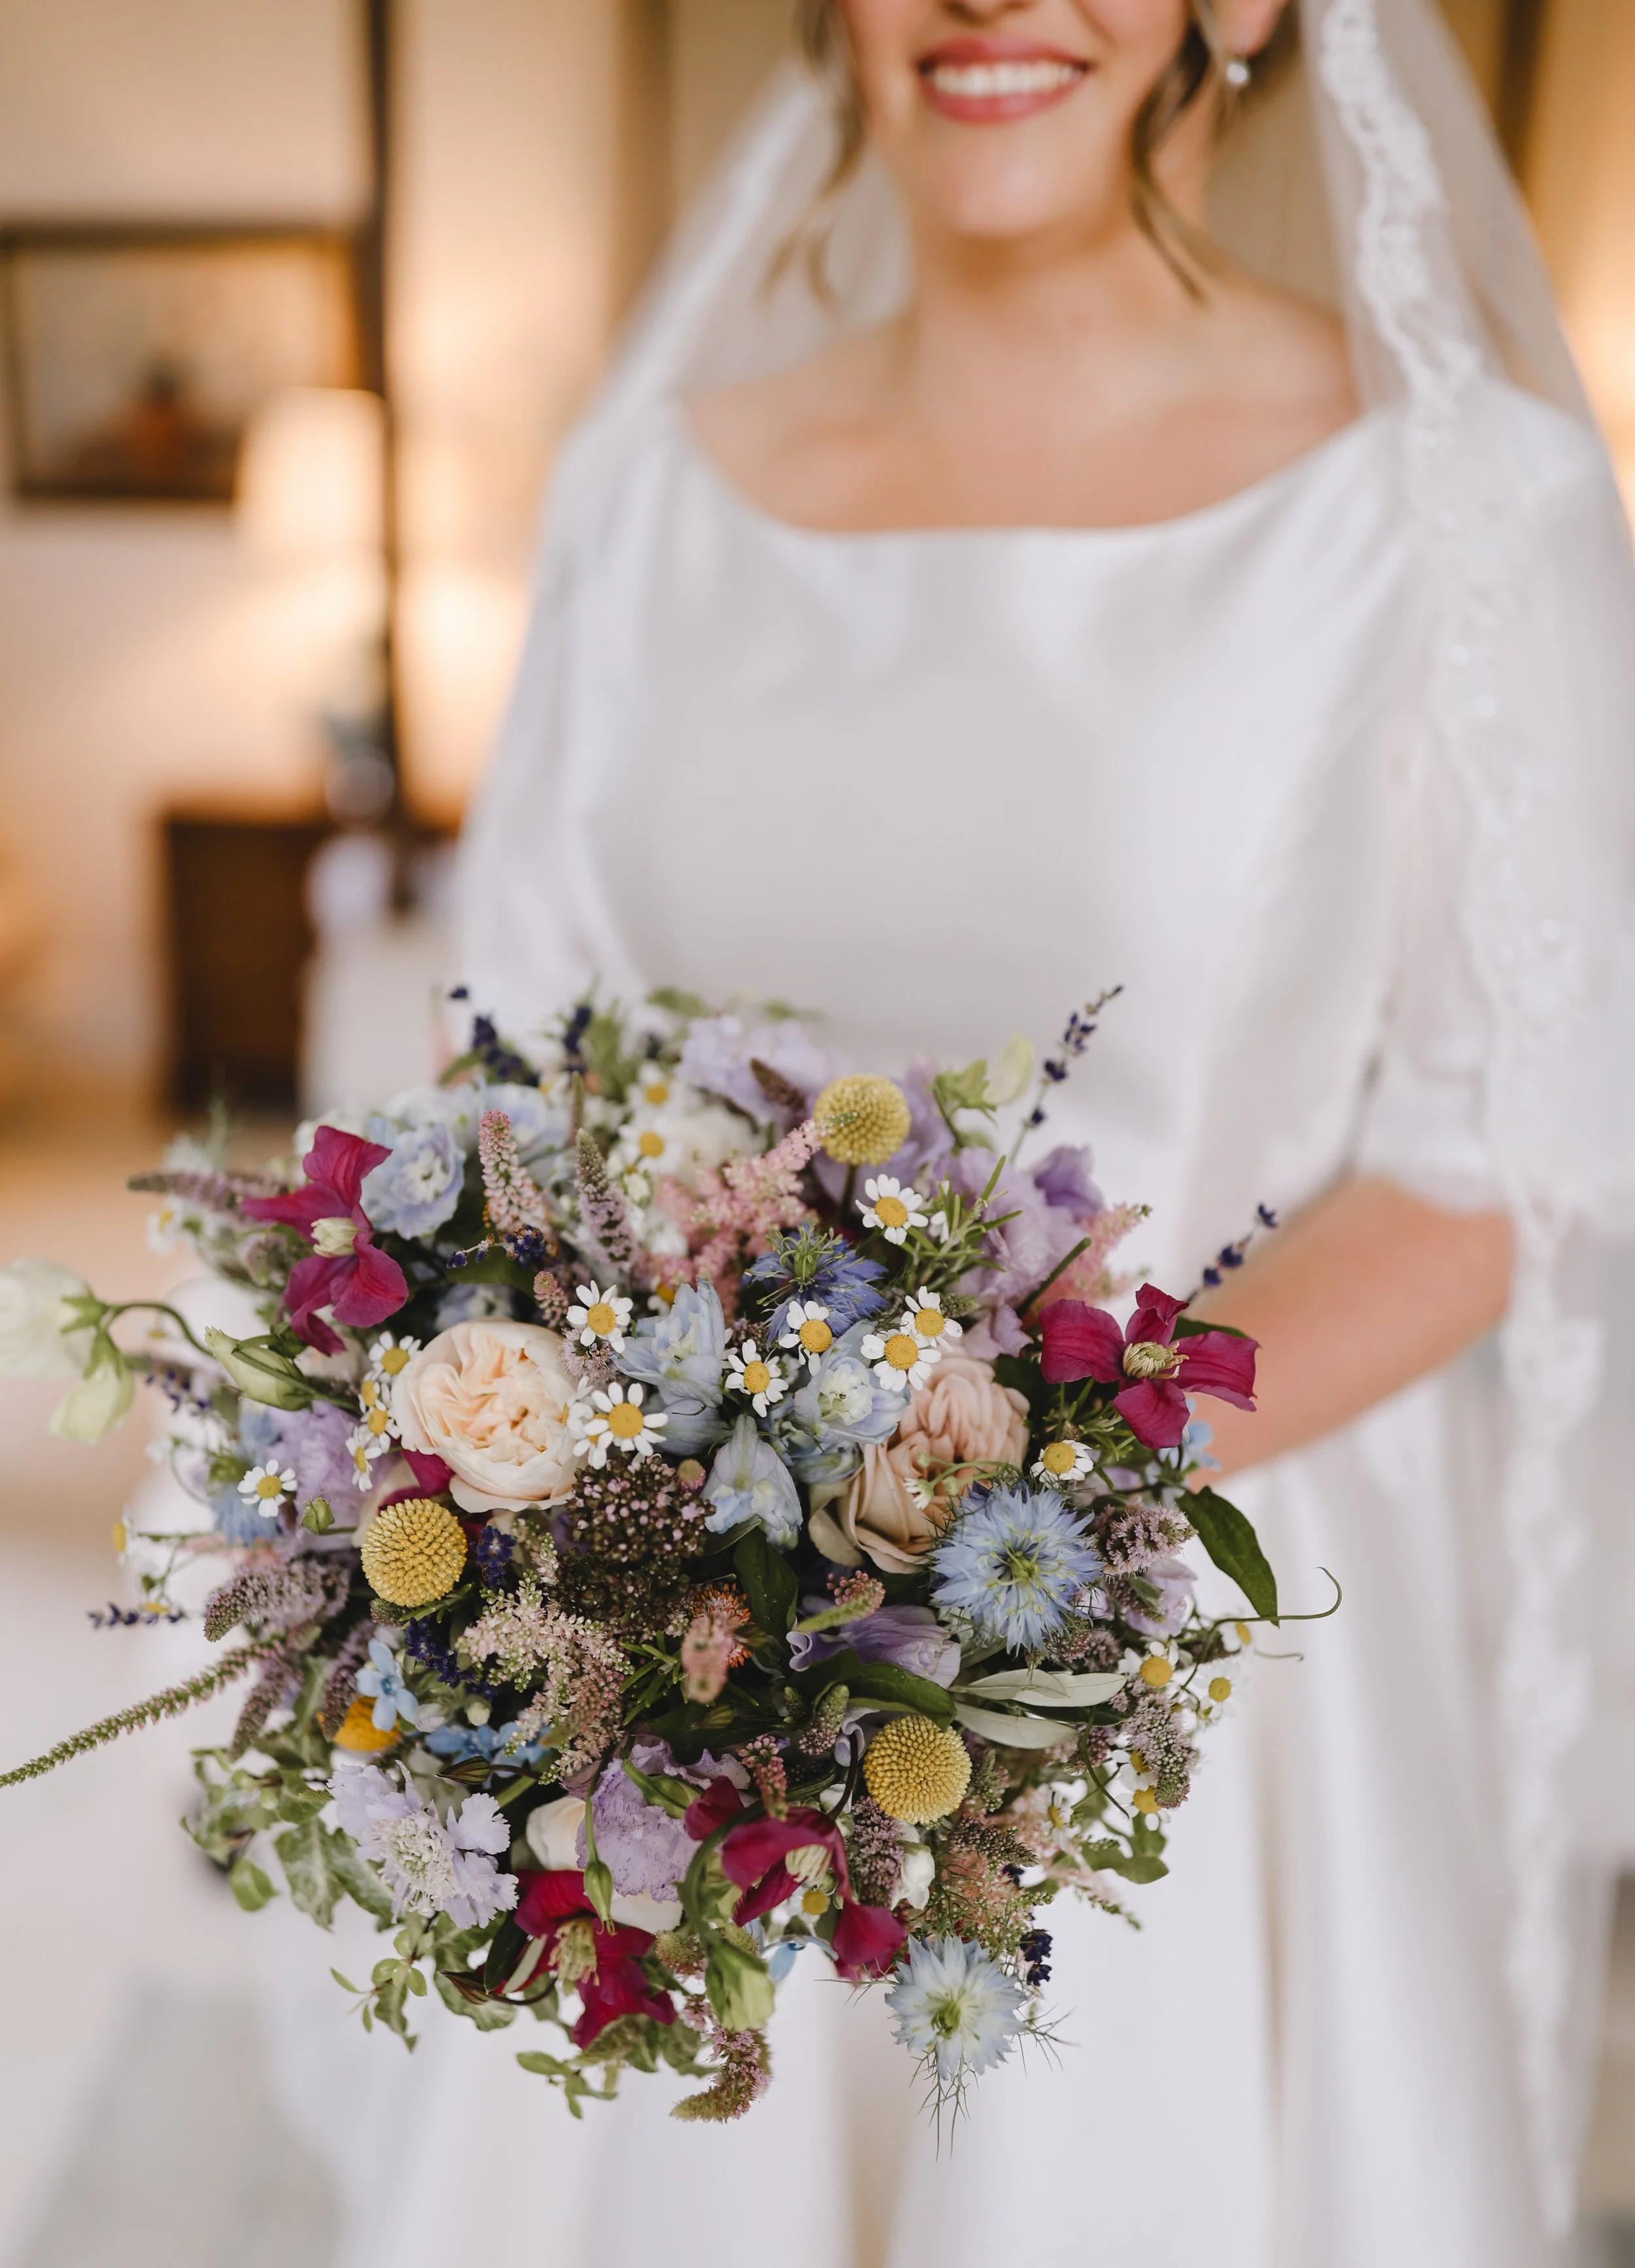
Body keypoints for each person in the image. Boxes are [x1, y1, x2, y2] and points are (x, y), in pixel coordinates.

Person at [285, 3, 1635, 2264]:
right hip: (680, 1682)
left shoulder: (1458, 497)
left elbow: (1495, 1153)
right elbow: (500, 1064)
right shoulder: (644, 491)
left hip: (1173, 1673)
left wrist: (1007, 1495)